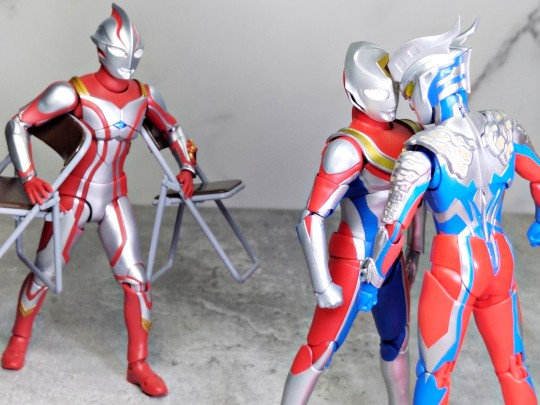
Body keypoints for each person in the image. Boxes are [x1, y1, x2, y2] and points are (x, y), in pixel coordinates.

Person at [2, 3, 197, 397]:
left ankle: (138, 364)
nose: (129, 61)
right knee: (45, 272)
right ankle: (19, 338)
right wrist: (29, 176)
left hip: (114, 198)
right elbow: (18, 124)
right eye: (122, 52)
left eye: (135, 53)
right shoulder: (71, 92)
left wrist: (188, 168)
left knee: (137, 281)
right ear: (101, 50)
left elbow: (173, 130)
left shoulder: (145, 95)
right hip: (72, 196)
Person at [360, 19, 539, 404]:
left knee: (435, 374)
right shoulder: (503, 126)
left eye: (411, 91)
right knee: (514, 368)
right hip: (500, 260)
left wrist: (372, 279)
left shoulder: (423, 150)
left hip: (455, 268)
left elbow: (394, 227)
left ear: (429, 85)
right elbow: (538, 176)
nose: (410, 104)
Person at [281, 41, 425, 405]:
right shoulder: (347, 148)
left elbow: (416, 195)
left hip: (391, 259)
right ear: (354, 91)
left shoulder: (409, 133)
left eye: (393, 90)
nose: (389, 100)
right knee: (320, 348)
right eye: (378, 92)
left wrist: (415, 249)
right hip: (354, 260)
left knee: (398, 342)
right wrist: (322, 285)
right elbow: (311, 218)